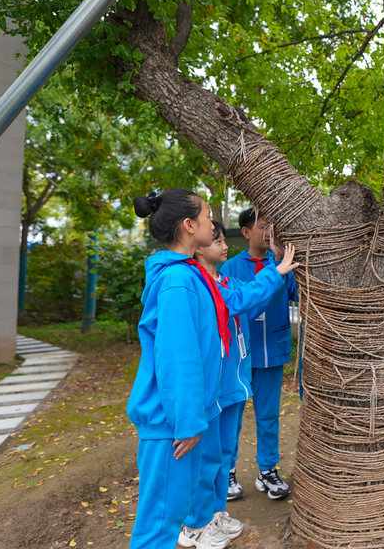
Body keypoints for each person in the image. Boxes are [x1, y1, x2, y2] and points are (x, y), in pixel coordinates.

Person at [127, 189, 296, 549]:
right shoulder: (178, 282)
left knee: (170, 510)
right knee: (160, 522)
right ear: (190, 227)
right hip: (171, 425)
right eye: (205, 218)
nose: (212, 225)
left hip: (181, 419)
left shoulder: (194, 277)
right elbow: (178, 359)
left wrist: (277, 269)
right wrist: (188, 423)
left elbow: (237, 299)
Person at [221, 208, 299, 501]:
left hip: (273, 352)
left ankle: (267, 471)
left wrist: (285, 261)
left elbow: (298, 293)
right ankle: (227, 472)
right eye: (263, 227)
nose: (268, 232)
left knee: (268, 415)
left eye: (272, 226)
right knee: (234, 416)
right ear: (245, 232)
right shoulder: (229, 267)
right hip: (240, 357)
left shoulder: (280, 263)